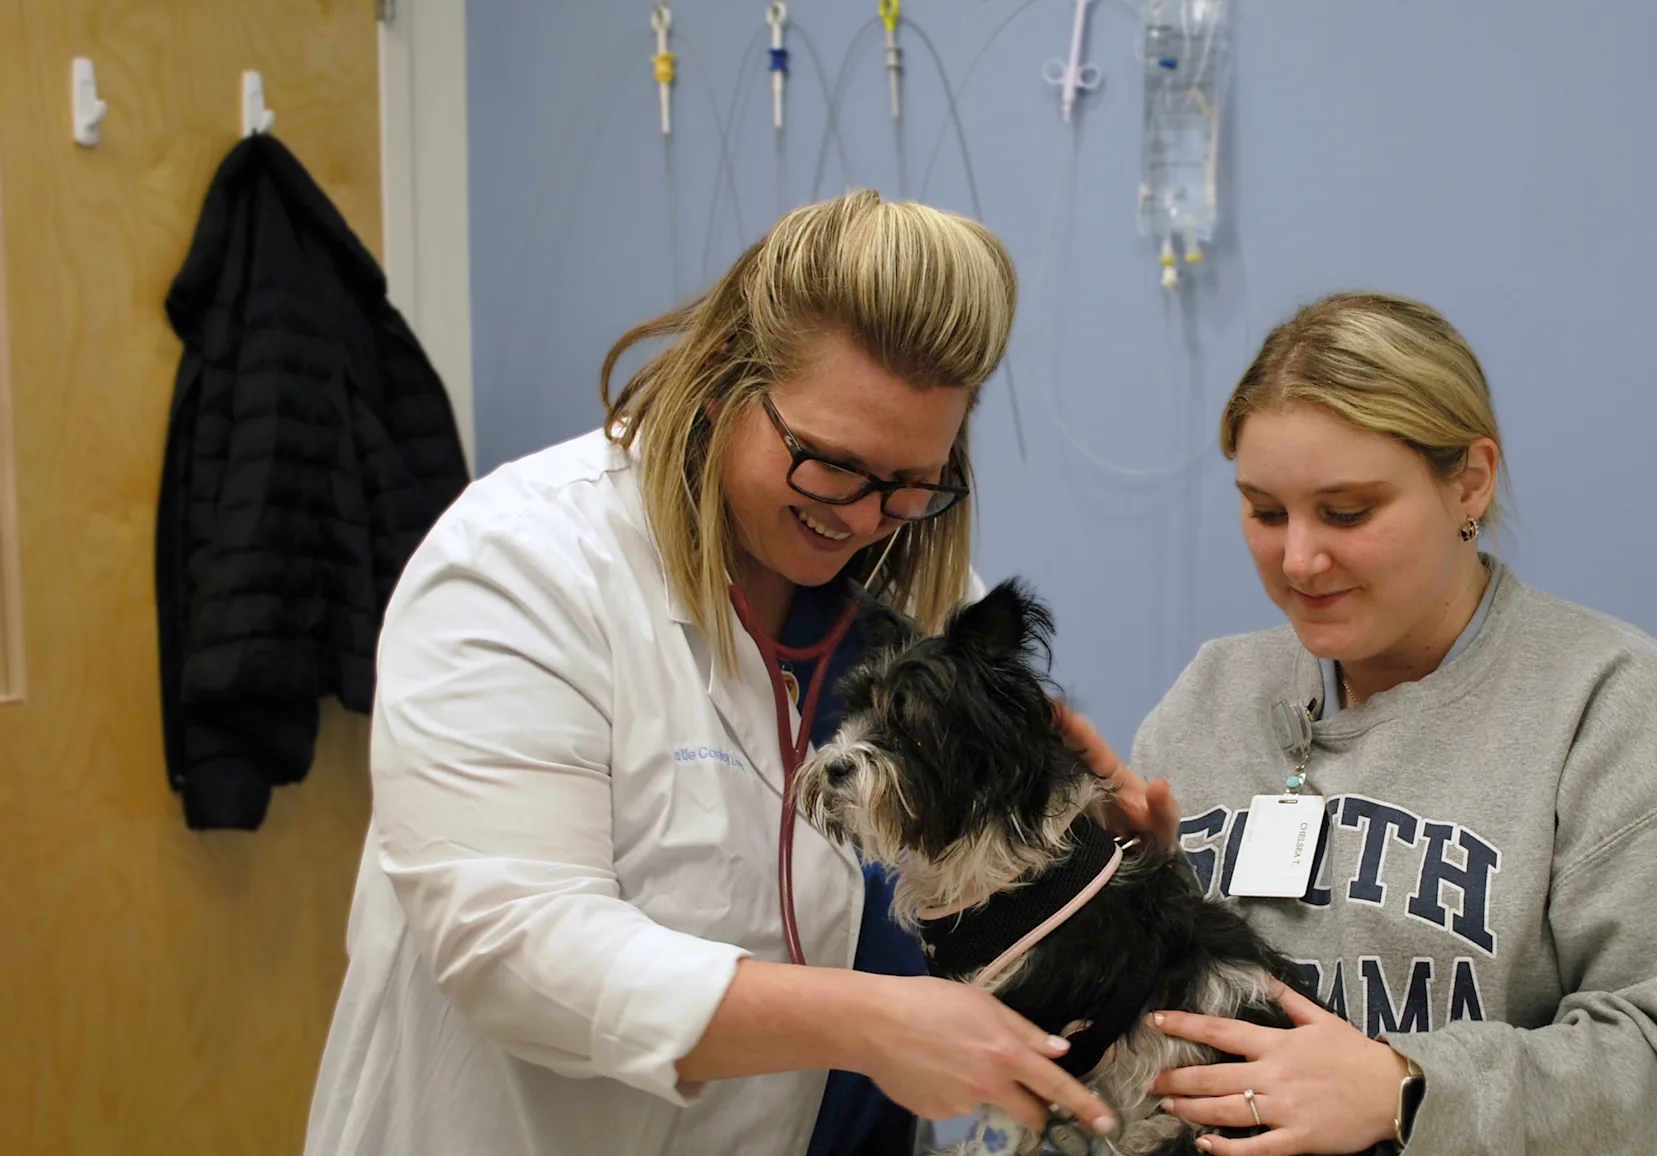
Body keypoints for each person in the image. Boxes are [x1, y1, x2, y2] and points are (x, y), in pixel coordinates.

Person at [303, 191, 1116, 1156]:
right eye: (829, 464)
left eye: (910, 483)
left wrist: (1075, 836)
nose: (863, 517)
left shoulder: (916, 608)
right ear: (727, 377)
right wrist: (867, 1022)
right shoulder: (523, 563)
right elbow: (512, 948)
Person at [1081, 292, 1657, 1155]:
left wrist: (1408, 1089)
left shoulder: (1618, 716)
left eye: (1347, 513)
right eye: (1266, 512)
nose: (1299, 559)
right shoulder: (1212, 695)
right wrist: (1093, 895)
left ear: (1470, 483)